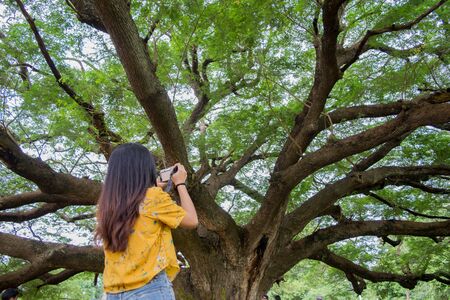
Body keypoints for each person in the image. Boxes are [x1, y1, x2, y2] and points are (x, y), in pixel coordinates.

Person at [96, 143, 198, 299]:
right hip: (149, 289)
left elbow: (140, 206)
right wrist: (180, 183)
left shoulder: (107, 206)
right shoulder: (153, 197)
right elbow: (191, 220)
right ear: (145, 169)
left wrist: (157, 186)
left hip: (112, 293)